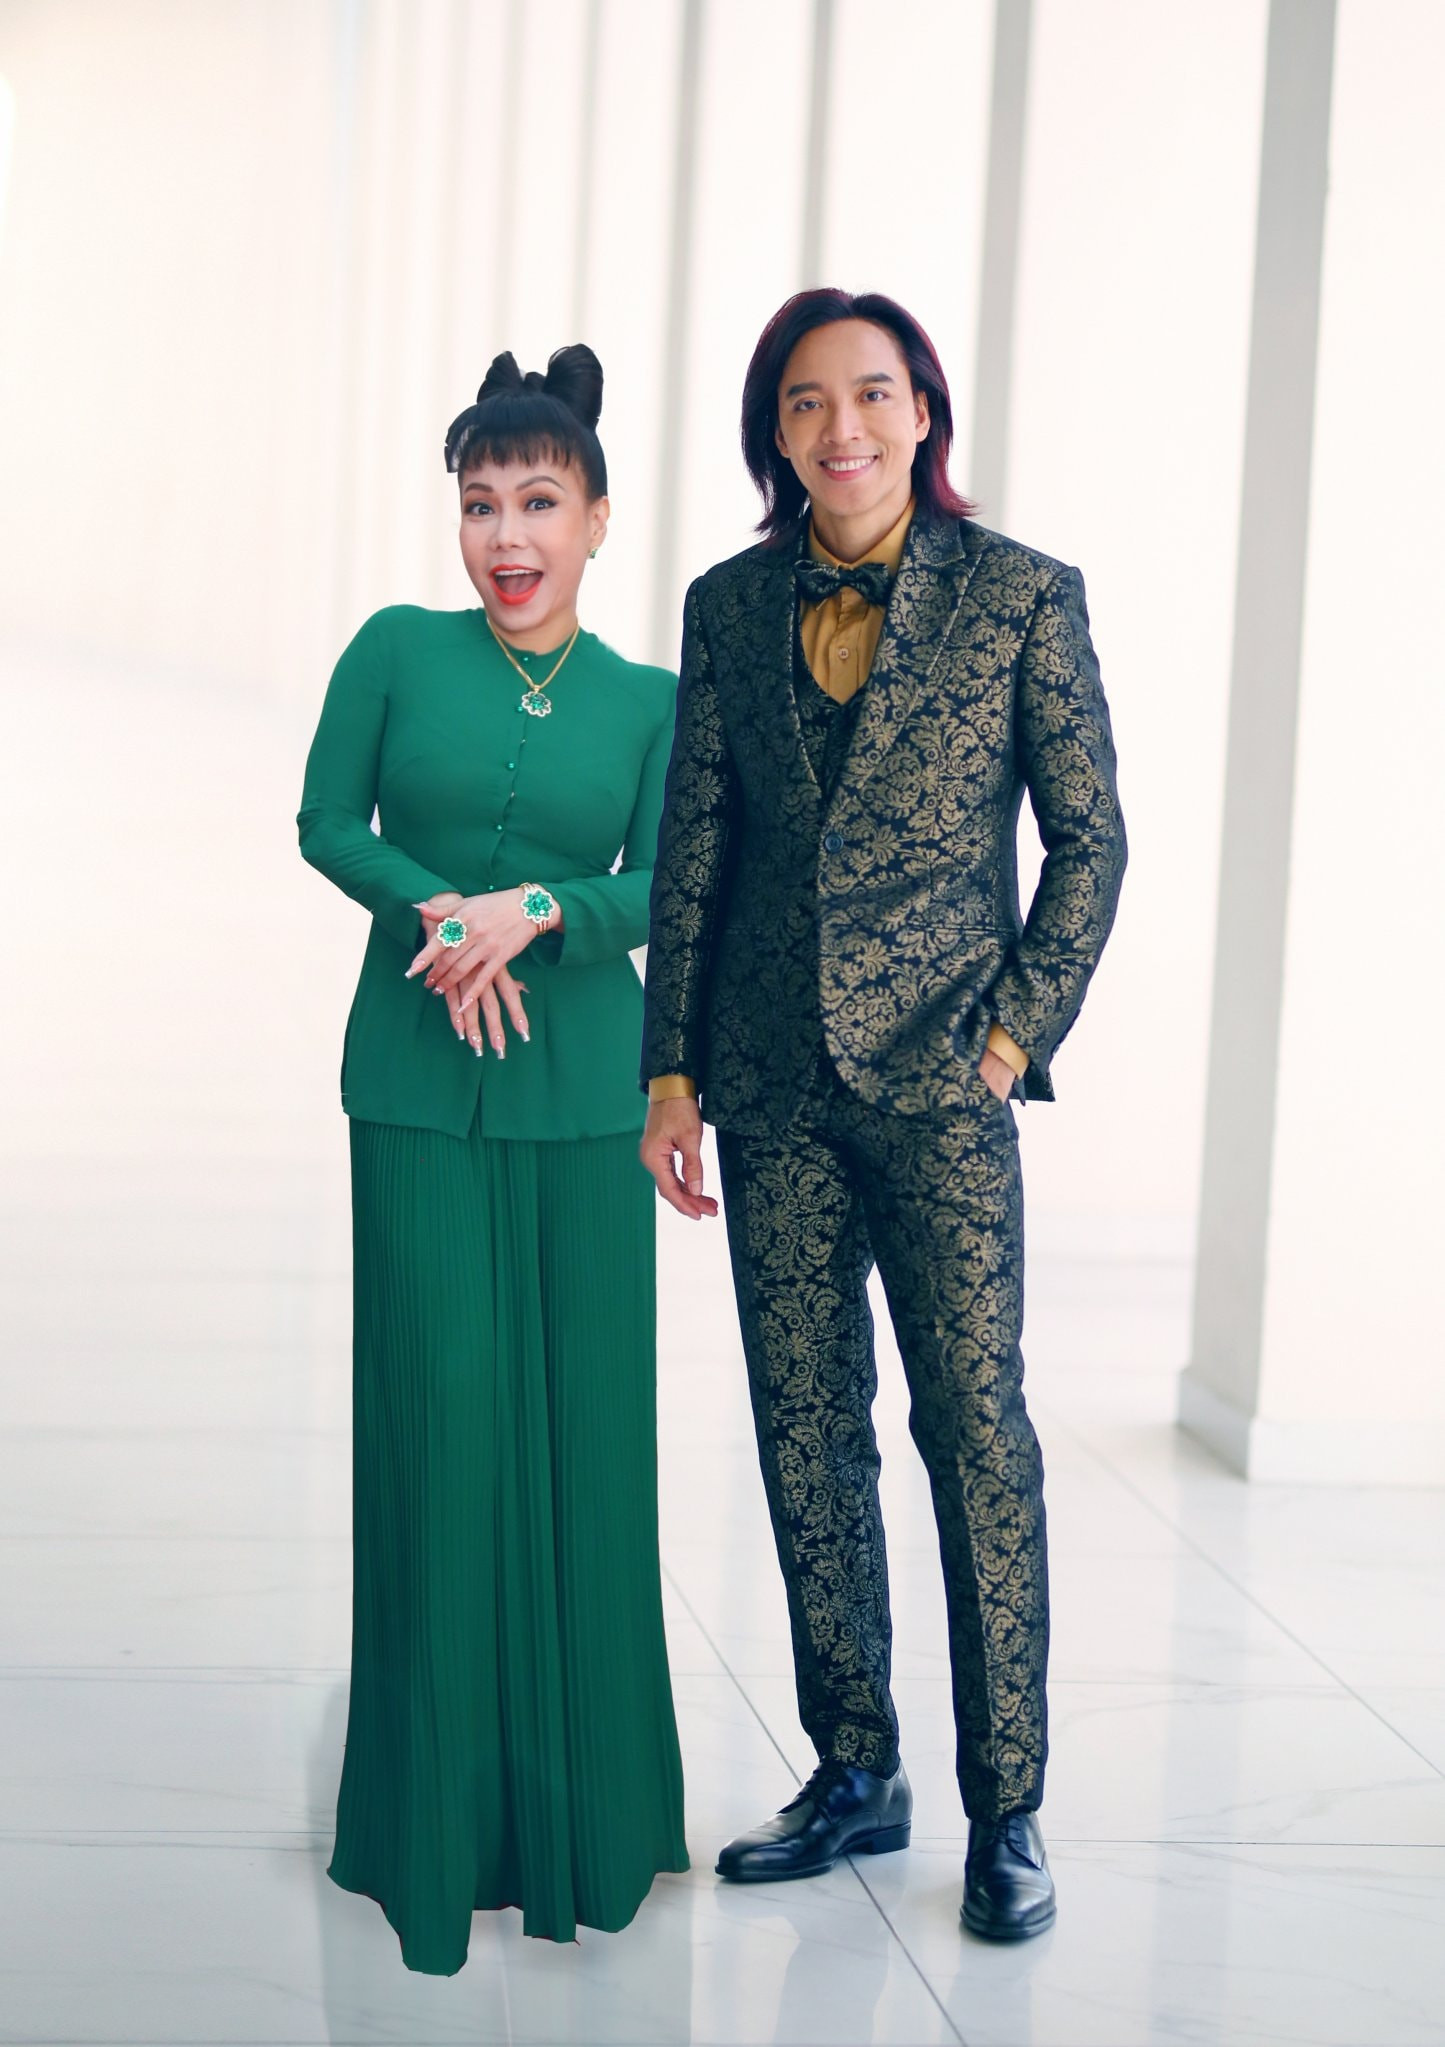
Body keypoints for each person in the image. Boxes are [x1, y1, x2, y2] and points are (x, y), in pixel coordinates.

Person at [640, 289, 1125, 1941]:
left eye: (866, 395)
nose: (837, 428)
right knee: (804, 1430)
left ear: (921, 411)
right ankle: (855, 1765)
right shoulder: (726, 607)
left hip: (940, 1094)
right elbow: (696, 849)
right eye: (802, 402)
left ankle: (1009, 1809)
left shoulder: (1021, 597)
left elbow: (1090, 841)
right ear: (772, 435)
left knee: (974, 1435)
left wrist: (1010, 1037)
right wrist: (670, 1071)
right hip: (768, 1087)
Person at [297, 345, 687, 1974]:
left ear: (597, 518)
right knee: (440, 1428)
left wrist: (538, 910)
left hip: (586, 1100)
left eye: (538, 503)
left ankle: (588, 1818)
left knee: (586, 1445)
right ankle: (429, 1819)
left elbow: (672, 881)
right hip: (410, 1089)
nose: (506, 537)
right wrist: (440, 915)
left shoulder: (653, 702)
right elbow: (329, 822)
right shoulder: (394, 649)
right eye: (479, 506)